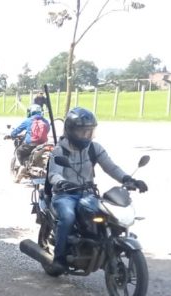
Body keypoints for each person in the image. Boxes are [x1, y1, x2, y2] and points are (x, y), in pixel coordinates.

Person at [46, 108, 147, 276]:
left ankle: (103, 244)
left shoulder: (94, 148)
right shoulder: (59, 151)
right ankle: (59, 258)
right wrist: (62, 182)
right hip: (65, 195)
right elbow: (53, 173)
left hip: (87, 193)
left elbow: (111, 167)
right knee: (68, 216)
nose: (86, 135)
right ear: (71, 131)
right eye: (82, 131)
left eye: (89, 131)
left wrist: (128, 179)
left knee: (107, 215)